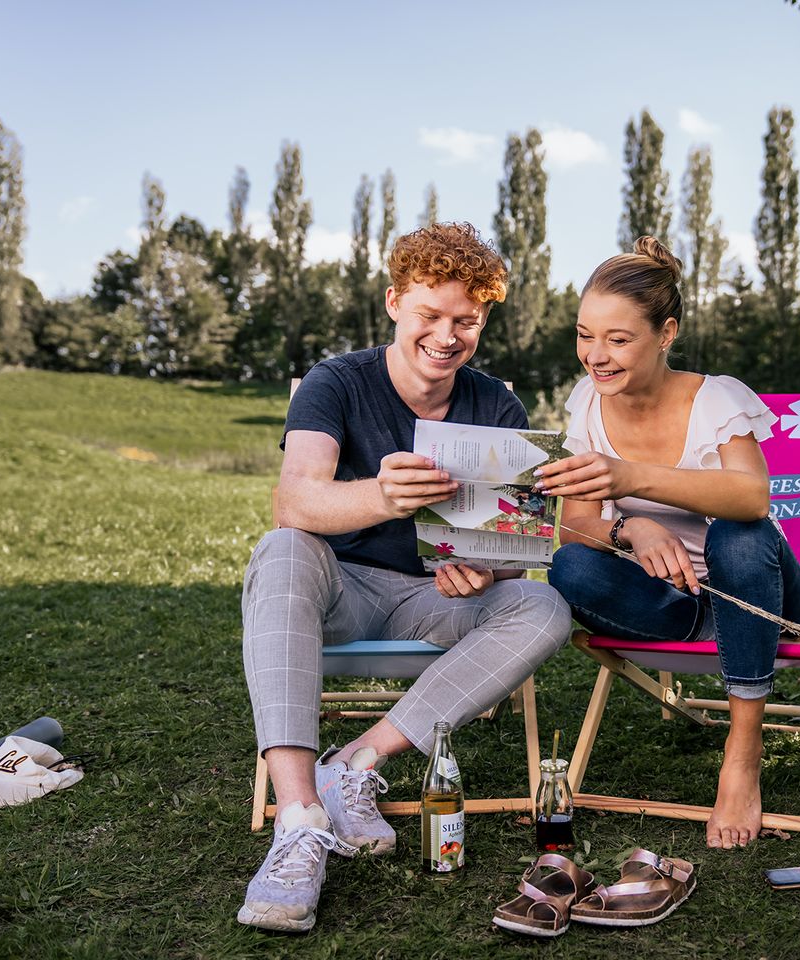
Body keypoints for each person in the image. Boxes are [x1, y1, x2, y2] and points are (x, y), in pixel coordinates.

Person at [238, 221, 572, 932]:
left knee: (544, 610)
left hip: (433, 599)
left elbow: (504, 538)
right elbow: (294, 499)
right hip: (343, 590)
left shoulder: (496, 405)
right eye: (429, 314)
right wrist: (380, 497)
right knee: (283, 547)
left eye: (467, 321)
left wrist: (479, 565)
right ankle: (298, 820)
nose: (446, 335)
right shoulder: (337, 382)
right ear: (395, 302)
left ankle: (357, 763)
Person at [539, 236, 800, 851]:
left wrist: (631, 479)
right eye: (584, 334)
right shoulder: (587, 404)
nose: (596, 355)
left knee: (738, 533)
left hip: (766, 591)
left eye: (618, 339)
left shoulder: (716, 398)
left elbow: (753, 499)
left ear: (666, 332)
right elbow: (575, 522)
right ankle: (742, 639)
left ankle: (742, 751)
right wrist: (629, 525)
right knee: (570, 566)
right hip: (674, 607)